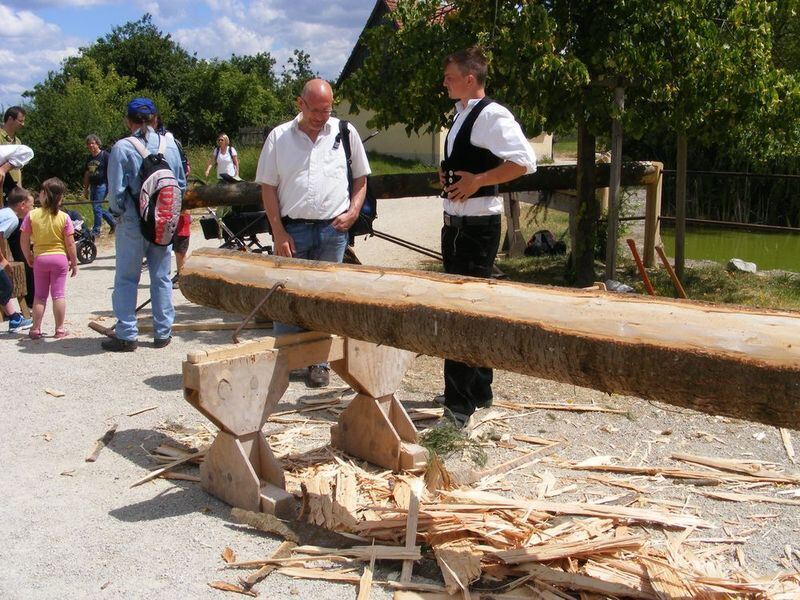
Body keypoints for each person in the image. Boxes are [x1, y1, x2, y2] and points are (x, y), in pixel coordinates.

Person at [436, 47, 537, 427]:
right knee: (472, 308)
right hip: (458, 226)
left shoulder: (491, 114)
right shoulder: (461, 114)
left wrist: (478, 180)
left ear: (470, 78)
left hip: (477, 229)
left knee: (460, 316)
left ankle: (457, 408)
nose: (444, 81)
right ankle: (478, 390)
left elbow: (525, 161)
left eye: (450, 75)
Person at [255, 78, 370, 387]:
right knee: (286, 295)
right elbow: (267, 187)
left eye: (327, 109)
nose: (322, 116)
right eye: (316, 109)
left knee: (324, 299)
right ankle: (287, 360)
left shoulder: (345, 133)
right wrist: (278, 232)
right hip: (292, 230)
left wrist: (354, 211)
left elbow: (361, 178)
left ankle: (319, 363)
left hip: (333, 230)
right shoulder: (279, 137)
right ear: (300, 104)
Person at [103, 97, 187, 352]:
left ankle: (127, 333)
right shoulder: (170, 144)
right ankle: (163, 331)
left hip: (132, 219)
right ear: (155, 119)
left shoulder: (122, 148)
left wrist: (118, 214)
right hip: (162, 220)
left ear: (128, 120)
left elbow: (116, 192)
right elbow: (181, 183)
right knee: (161, 276)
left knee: (127, 277)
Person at [20, 178, 78, 339]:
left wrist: (28, 256)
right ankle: (59, 329)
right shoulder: (64, 217)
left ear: (44, 195)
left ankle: (35, 329)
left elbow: (23, 239)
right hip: (59, 258)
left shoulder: (32, 215)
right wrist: (74, 262)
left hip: (40, 258)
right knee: (58, 295)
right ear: (60, 198)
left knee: (40, 295)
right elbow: (71, 243)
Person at [0, 186, 34, 332]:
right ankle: (14, 319)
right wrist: (2, 260)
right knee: (5, 287)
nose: (32, 209)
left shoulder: (5, 213)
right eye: (31, 205)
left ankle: (14, 319)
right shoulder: (12, 218)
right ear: (22, 205)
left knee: (4, 286)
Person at [82, 134, 116, 236]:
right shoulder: (89, 159)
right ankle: (113, 222)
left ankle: (96, 231)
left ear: (97, 144)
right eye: (89, 144)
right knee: (96, 207)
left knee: (97, 206)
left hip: (103, 184)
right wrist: (85, 188)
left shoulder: (105, 155)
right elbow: (87, 173)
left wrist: (112, 185)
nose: (91, 146)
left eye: (92, 143)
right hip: (93, 185)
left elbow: (112, 170)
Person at [0, 106, 26, 200]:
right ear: (10, 119)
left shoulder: (18, 142)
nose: (23, 124)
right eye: (20, 121)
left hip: (13, 188)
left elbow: (18, 167)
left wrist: (20, 188)